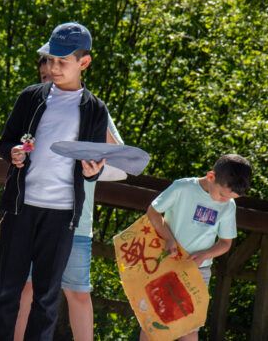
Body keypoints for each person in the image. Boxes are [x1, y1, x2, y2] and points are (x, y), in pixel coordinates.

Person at [0, 21, 109, 341]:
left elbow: (94, 166)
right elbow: (6, 141)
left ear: (84, 63)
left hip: (63, 215)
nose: (53, 67)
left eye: (62, 61)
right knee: (6, 293)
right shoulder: (30, 97)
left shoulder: (96, 109)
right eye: (50, 59)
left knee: (46, 299)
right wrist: (12, 152)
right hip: (20, 208)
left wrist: (91, 171)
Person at [14, 54, 125, 341]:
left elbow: (121, 165)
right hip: (32, 214)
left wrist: (87, 115)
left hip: (76, 220)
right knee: (25, 287)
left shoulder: (91, 108)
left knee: (77, 291)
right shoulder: (33, 107)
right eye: (44, 74)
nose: (51, 76)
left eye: (58, 69)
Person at [139, 154, 252, 341]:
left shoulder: (228, 206)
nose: (223, 202)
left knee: (190, 327)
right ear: (210, 177)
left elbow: (225, 243)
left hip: (198, 271)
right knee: (155, 321)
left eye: (231, 198)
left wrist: (206, 254)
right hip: (166, 265)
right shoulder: (182, 187)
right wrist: (168, 238)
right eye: (222, 195)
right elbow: (153, 211)